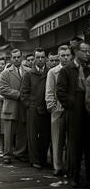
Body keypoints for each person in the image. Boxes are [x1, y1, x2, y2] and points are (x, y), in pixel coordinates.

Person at [56, 42, 90, 188]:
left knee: (88, 144)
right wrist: (72, 104)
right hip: (74, 111)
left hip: (88, 110)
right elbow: (60, 92)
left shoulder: (88, 69)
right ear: (76, 52)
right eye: (85, 51)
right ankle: (74, 176)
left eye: (89, 51)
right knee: (74, 145)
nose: (88, 54)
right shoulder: (67, 69)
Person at [20, 47, 50, 169]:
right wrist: (30, 105)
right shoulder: (29, 74)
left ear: (46, 58)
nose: (40, 59)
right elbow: (23, 94)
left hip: (46, 109)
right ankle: (35, 160)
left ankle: (43, 159)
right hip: (33, 109)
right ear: (34, 59)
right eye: (38, 57)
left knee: (45, 136)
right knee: (32, 136)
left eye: (42, 57)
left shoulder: (49, 72)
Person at [0, 48, 30, 164]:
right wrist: (20, 95)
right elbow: (3, 89)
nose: (16, 59)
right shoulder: (6, 73)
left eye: (18, 57)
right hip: (11, 107)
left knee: (22, 131)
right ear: (11, 59)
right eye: (14, 57)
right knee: (8, 133)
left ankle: (20, 153)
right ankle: (7, 154)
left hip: (24, 107)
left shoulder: (28, 71)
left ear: (21, 57)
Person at [45, 45, 72, 176]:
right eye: (63, 55)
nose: (65, 58)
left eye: (67, 55)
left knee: (71, 140)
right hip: (58, 109)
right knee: (57, 140)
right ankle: (58, 166)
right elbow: (49, 91)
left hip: (72, 109)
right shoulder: (53, 72)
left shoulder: (74, 69)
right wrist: (52, 107)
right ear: (58, 56)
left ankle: (69, 167)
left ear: (71, 55)